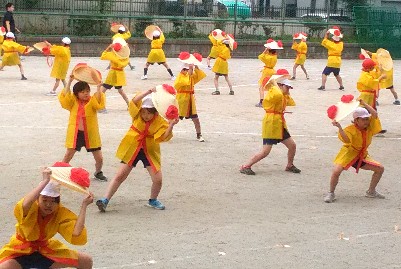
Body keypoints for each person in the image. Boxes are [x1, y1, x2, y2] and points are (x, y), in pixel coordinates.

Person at [96, 88, 178, 212]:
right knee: (120, 175)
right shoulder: (136, 114)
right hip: (133, 146)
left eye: (149, 113)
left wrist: (171, 125)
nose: (145, 115)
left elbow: (164, 136)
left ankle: (153, 200)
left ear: (155, 112)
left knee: (158, 179)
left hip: (149, 150)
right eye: (143, 112)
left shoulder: (160, 121)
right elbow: (133, 101)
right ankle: (105, 200)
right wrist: (148, 91)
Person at [0, 167, 94, 269]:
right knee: (5, 267)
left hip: (45, 250)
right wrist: (45, 182)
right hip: (20, 251)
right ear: (37, 199)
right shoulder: (31, 207)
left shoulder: (59, 212)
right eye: (44, 200)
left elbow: (76, 233)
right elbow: (25, 204)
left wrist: (84, 206)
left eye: (53, 201)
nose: (49, 205)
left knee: (86, 261)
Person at [240, 70, 301, 175]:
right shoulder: (274, 91)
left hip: (279, 123)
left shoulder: (280, 93)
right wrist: (274, 84)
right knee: (265, 151)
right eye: (288, 87)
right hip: (271, 123)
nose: (289, 89)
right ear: (280, 85)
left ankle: (289, 165)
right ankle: (246, 166)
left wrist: (284, 90)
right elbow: (277, 95)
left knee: (292, 145)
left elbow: (291, 102)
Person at [324, 102, 385, 203]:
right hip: (348, 154)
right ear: (356, 120)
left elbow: (375, 115)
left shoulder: (370, 127)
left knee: (380, 169)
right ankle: (331, 193)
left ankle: (371, 191)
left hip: (362, 155)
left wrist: (364, 103)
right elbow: (346, 140)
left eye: (367, 119)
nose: (367, 121)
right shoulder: (350, 129)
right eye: (363, 119)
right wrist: (339, 127)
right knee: (336, 171)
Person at [58, 75, 108, 181]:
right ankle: (60, 172)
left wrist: (98, 88)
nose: (86, 93)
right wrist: (69, 82)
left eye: (87, 91)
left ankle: (98, 171)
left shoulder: (92, 100)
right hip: (77, 134)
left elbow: (99, 103)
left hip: (90, 134)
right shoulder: (73, 101)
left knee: (99, 158)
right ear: (77, 94)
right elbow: (65, 97)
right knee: (68, 155)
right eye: (82, 92)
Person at [174, 62, 206, 142]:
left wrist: (196, 67)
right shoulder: (180, 76)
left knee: (195, 118)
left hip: (190, 100)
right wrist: (190, 70)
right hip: (181, 100)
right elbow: (184, 82)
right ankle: (165, 132)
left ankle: (199, 134)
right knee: (174, 118)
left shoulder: (190, 76)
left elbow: (198, 76)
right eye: (186, 69)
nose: (187, 71)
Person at [100, 42, 130, 109]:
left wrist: (108, 48)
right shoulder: (124, 57)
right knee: (120, 90)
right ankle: (129, 103)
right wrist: (126, 48)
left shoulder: (112, 55)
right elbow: (127, 58)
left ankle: (102, 106)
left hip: (112, 74)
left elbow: (103, 56)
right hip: (120, 74)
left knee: (102, 91)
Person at [255, 39, 283, 107]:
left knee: (262, 86)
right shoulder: (274, 56)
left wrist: (265, 50)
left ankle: (261, 102)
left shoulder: (268, 57)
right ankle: (276, 99)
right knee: (272, 86)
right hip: (272, 71)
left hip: (267, 72)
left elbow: (260, 56)